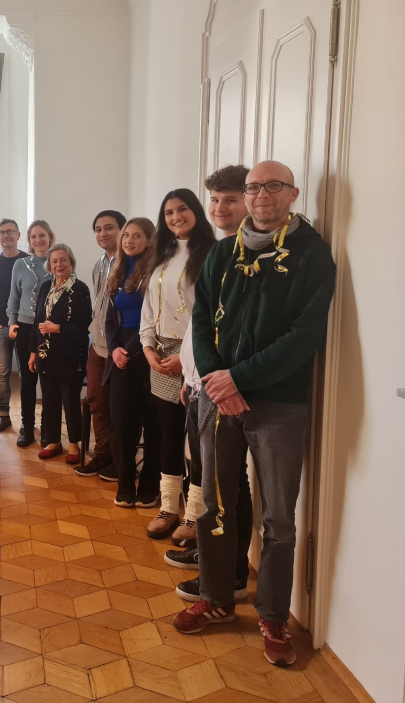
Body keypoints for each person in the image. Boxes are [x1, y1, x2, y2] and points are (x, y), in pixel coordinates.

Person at [174, 161, 337, 669]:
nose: (261, 195)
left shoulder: (312, 254)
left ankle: (272, 615)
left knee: (279, 520)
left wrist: (238, 379)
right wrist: (218, 381)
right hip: (219, 398)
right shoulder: (224, 252)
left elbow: (305, 336)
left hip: (279, 404)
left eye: (272, 187)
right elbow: (201, 322)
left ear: (291, 194)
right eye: (253, 188)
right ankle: (219, 598)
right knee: (214, 504)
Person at [164, 165, 251, 565]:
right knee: (212, 476)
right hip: (200, 379)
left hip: (226, 382)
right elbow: (201, 322)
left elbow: (235, 328)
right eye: (215, 199)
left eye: (230, 199)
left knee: (228, 482)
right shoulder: (223, 250)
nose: (220, 207)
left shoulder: (246, 254)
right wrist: (190, 373)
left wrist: (212, 378)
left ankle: (227, 568)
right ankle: (212, 554)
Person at [140, 190, 216, 539]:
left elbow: (210, 316)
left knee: (197, 440)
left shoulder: (212, 254)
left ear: (196, 210)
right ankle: (170, 507)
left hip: (194, 355)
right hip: (160, 354)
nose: (175, 217)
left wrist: (185, 357)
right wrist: (147, 347)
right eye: (168, 212)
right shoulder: (162, 254)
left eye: (182, 209)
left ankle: (194, 515)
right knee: (167, 434)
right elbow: (149, 309)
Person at [104, 218, 161, 508]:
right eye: (126, 235)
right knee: (121, 424)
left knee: (153, 424)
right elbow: (109, 320)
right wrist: (114, 349)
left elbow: (154, 319)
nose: (129, 240)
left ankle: (149, 486)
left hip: (150, 351)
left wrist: (128, 349)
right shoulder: (117, 270)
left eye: (137, 236)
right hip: (121, 355)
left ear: (150, 240)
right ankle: (125, 484)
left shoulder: (155, 270)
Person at [27, 244, 91, 460]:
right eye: (54, 261)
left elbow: (84, 326)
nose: (59, 265)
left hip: (71, 357)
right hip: (46, 356)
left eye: (63, 260)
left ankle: (74, 444)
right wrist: (33, 352)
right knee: (49, 400)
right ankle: (54, 441)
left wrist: (57, 328)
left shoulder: (80, 289)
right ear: (49, 265)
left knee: (71, 402)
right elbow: (37, 321)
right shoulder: (45, 287)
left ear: (71, 262)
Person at [76, 210, 126, 476]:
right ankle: (103, 454)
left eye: (109, 228)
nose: (103, 233)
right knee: (96, 400)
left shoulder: (130, 263)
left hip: (121, 346)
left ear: (122, 230)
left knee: (118, 405)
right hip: (98, 344)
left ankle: (120, 459)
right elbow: (100, 305)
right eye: (98, 229)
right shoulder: (99, 264)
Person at [7, 220, 54, 447]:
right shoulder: (20, 265)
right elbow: (14, 298)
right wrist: (11, 322)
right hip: (25, 328)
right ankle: (27, 426)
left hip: (49, 328)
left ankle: (48, 427)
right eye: (34, 236)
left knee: (48, 379)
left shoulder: (56, 262)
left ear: (50, 237)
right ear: (29, 240)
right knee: (27, 380)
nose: (38, 240)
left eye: (42, 235)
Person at [0, 219, 28, 432]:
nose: (6, 236)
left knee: (26, 373)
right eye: (2, 232)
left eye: (10, 231)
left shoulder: (29, 261)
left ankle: (27, 421)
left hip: (24, 326)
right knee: (2, 373)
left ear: (18, 235)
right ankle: (3, 415)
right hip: (0, 325)